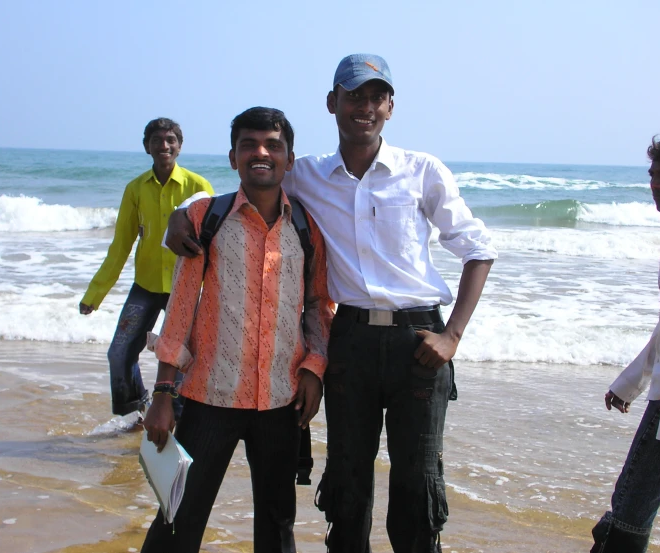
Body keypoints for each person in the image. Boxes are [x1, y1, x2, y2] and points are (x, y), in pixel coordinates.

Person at [166, 54, 497, 553]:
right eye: (353, 95)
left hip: (419, 345)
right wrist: (179, 215)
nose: (364, 106)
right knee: (346, 485)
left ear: (389, 106)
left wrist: (452, 335)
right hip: (351, 344)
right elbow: (254, 185)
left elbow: (479, 249)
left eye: (374, 96)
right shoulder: (308, 176)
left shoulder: (422, 171)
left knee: (416, 485)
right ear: (332, 103)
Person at [140, 107, 333, 553]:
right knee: (176, 521)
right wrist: (163, 394)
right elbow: (182, 310)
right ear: (232, 157)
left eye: (272, 146)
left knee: (277, 527)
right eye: (249, 145)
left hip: (280, 401)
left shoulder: (307, 228)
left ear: (289, 158)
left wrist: (313, 368)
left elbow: (319, 305)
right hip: (209, 398)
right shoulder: (206, 218)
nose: (260, 153)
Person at [80, 118, 213, 418]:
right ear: (146, 147)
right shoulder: (135, 189)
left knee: (184, 359)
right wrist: (94, 294)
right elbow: (120, 245)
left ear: (179, 146)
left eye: (170, 140)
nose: (163, 145)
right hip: (146, 286)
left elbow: (211, 242)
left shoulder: (198, 186)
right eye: (157, 140)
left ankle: (177, 417)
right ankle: (135, 412)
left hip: (186, 289)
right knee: (119, 352)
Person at [591, 131, 660, 553]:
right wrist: (632, 382)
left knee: (629, 511)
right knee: (632, 507)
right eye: (652, 174)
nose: (655, 183)